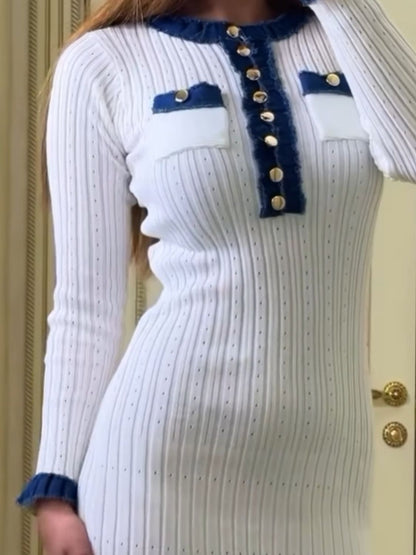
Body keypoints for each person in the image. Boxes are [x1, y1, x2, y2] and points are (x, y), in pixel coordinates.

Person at [15, 0, 416, 552]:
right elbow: (87, 309)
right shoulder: (103, 62)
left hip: (327, 474)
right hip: (157, 471)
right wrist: (57, 489)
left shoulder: (344, 36)